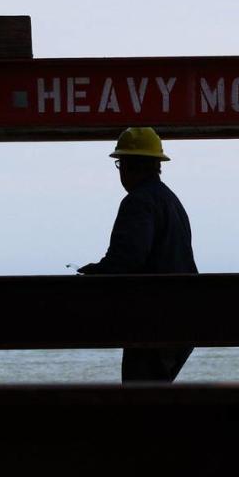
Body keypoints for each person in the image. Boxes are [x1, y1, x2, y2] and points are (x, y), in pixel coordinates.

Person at [78, 127, 197, 382]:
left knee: (139, 398)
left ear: (128, 165)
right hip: (180, 317)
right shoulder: (170, 201)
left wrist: (97, 273)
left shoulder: (138, 202)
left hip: (152, 319)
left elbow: (128, 259)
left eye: (120, 164)